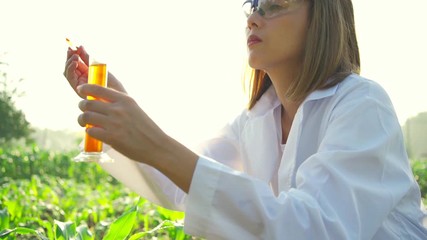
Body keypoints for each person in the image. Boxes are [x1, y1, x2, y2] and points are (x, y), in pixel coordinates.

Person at [64, 0, 427, 239]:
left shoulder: (362, 105)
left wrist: (153, 142)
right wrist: (117, 109)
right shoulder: (255, 120)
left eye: (275, 5)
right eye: (252, 5)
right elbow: (180, 183)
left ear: (322, 19)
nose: (253, 18)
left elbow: (315, 230)